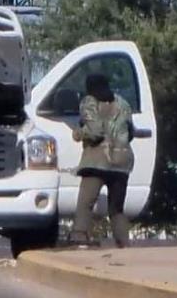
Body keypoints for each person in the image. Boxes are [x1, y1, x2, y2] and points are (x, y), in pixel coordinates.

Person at [69, 74, 136, 248]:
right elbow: (130, 132)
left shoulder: (89, 102)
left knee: (85, 203)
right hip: (122, 161)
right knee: (116, 209)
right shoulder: (123, 103)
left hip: (97, 161)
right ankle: (124, 244)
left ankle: (79, 237)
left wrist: (78, 133)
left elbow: (95, 131)